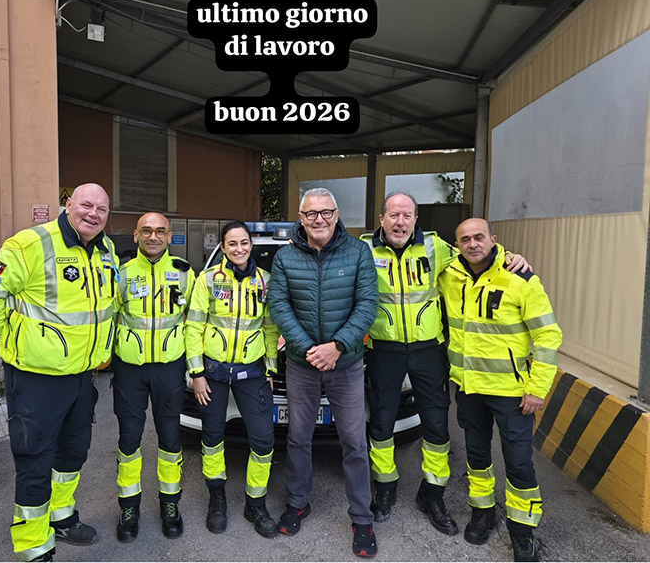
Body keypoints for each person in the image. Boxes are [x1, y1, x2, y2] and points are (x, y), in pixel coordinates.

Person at [360, 192, 530, 536]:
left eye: (407, 215)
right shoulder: (363, 250)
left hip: (428, 352)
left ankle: (432, 493)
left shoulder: (435, 247)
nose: (400, 222)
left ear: (416, 219)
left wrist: (509, 255)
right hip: (383, 350)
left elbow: (476, 256)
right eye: (393, 215)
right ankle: (385, 488)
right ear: (381, 219)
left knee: (437, 426)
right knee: (380, 424)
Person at [0, 183, 118, 562]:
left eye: (101, 209)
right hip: (36, 379)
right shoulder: (29, 244)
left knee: (73, 453)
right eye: (86, 204)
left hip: (82, 376)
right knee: (35, 459)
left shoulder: (106, 250)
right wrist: (16, 340)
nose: (93, 214)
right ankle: (34, 544)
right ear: (68, 205)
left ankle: (61, 517)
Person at [437, 218, 562, 562]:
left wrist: (537, 388)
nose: (472, 244)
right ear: (457, 245)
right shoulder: (449, 276)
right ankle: (482, 513)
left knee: (519, 463)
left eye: (479, 237)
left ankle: (522, 531)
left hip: (513, 393)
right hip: (469, 388)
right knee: (477, 457)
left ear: (493, 239)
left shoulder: (520, 278)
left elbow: (548, 335)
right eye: (465, 239)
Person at [268, 188, 379, 557]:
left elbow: (367, 303)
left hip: (346, 364)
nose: (319, 219)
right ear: (301, 218)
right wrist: (309, 350)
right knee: (298, 438)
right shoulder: (285, 257)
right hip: (302, 365)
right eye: (311, 214)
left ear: (337, 214)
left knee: (354, 443)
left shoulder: (358, 252)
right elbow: (279, 305)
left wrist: (338, 347)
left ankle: (362, 518)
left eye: (326, 212)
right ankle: (298, 502)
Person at [184, 221, 280, 538]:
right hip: (213, 372)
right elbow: (194, 327)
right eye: (232, 243)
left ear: (251, 245)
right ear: (223, 248)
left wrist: (270, 368)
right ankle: (217, 499)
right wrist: (197, 373)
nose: (239, 249)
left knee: (264, 440)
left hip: (251, 372)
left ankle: (256, 503)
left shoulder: (265, 282)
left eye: (244, 243)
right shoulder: (208, 280)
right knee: (212, 438)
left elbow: (270, 328)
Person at [112, 212, 195, 542]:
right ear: (136, 235)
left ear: (169, 236)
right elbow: (108, 317)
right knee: (129, 440)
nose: (153, 236)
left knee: (170, 440)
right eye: (146, 231)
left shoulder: (185, 273)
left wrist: (195, 367)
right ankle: (128, 508)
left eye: (160, 231)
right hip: (129, 368)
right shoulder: (121, 273)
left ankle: (170, 504)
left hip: (169, 367)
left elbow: (194, 323)